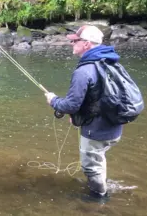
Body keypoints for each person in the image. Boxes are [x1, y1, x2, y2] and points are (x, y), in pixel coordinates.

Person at [44, 25, 122, 203]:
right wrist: (80, 114)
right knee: (98, 157)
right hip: (114, 126)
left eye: (75, 40)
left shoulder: (83, 71)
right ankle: (102, 186)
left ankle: (98, 199)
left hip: (96, 130)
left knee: (90, 166)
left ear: (86, 44)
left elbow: (71, 105)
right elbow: (100, 96)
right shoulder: (110, 62)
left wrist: (53, 100)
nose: (71, 43)